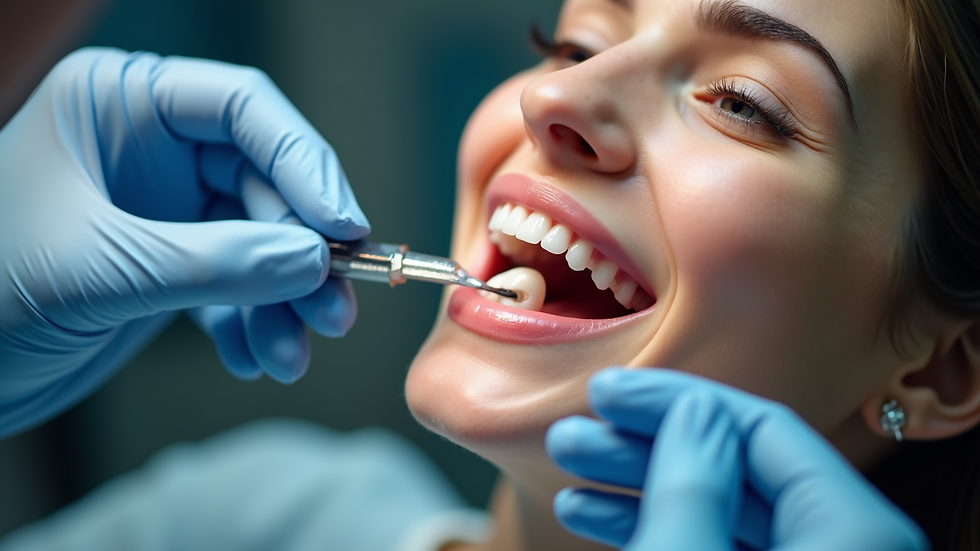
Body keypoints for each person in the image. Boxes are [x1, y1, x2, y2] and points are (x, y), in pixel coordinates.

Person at [1, 0, 979, 550]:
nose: (554, 93)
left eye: (738, 101)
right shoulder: (250, 515)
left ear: (942, 370)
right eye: (575, 41)